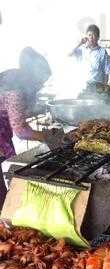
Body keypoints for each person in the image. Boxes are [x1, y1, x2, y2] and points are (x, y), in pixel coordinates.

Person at [0, 47, 58, 208]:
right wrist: (49, 138)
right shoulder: (15, 90)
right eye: (40, 81)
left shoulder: (15, 77)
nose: (41, 86)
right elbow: (21, 131)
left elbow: (14, 114)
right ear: (32, 76)